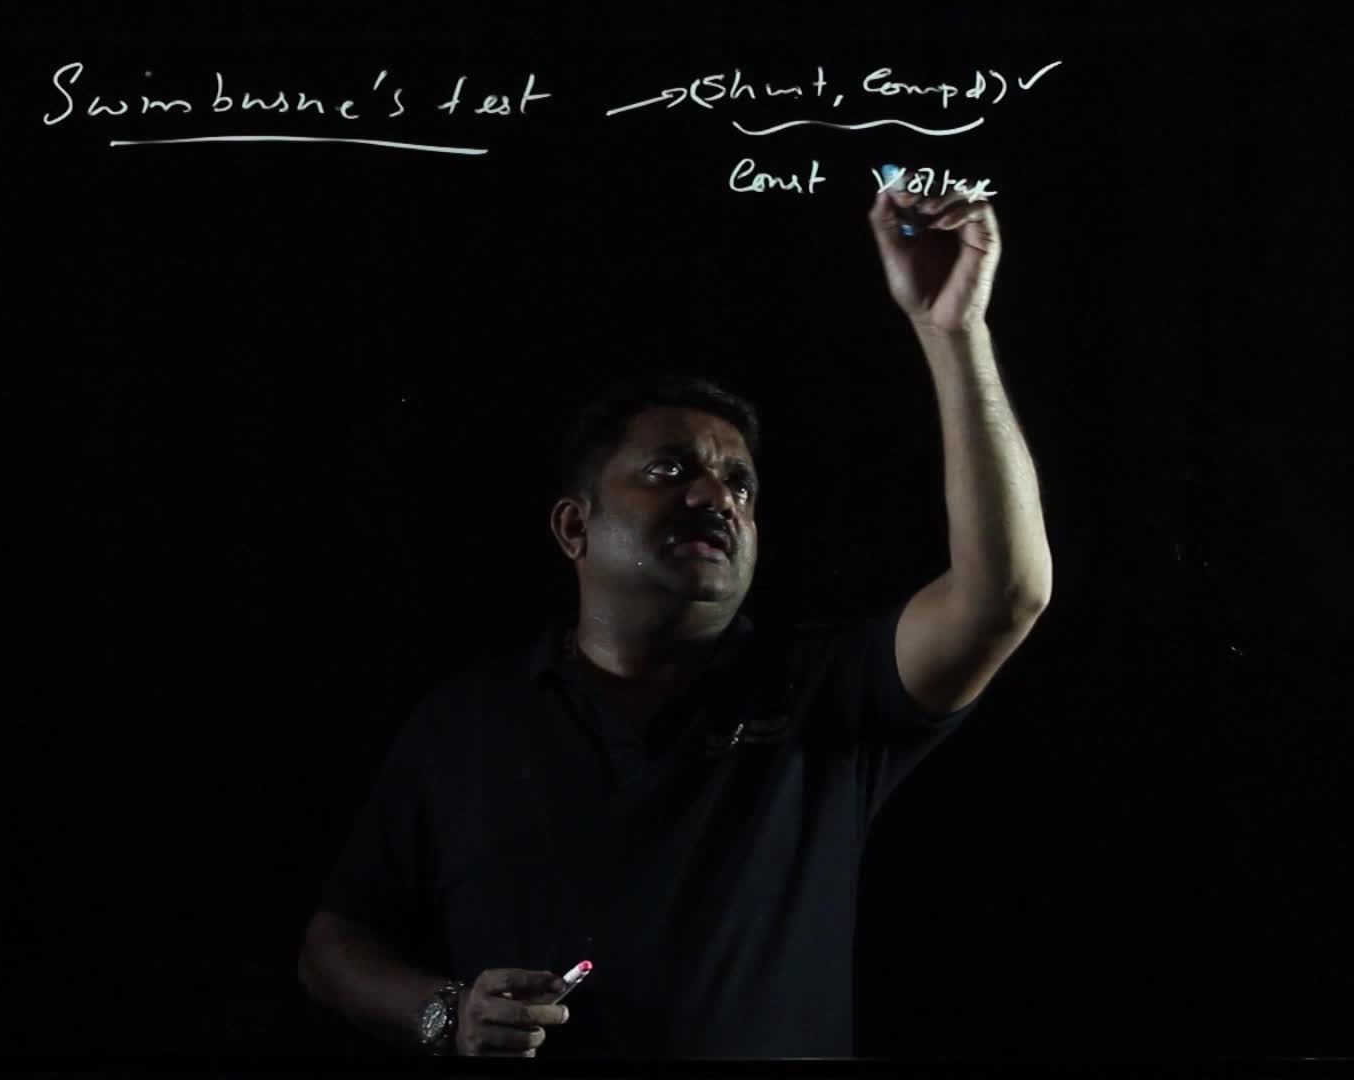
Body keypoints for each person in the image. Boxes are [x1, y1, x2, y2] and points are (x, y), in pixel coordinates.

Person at [295, 179, 1053, 1058]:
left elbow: (1004, 595)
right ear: (574, 527)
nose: (715, 497)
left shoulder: (824, 692)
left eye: (740, 484)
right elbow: (331, 946)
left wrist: (953, 331)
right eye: (669, 470)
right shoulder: (464, 723)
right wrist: (445, 1011)